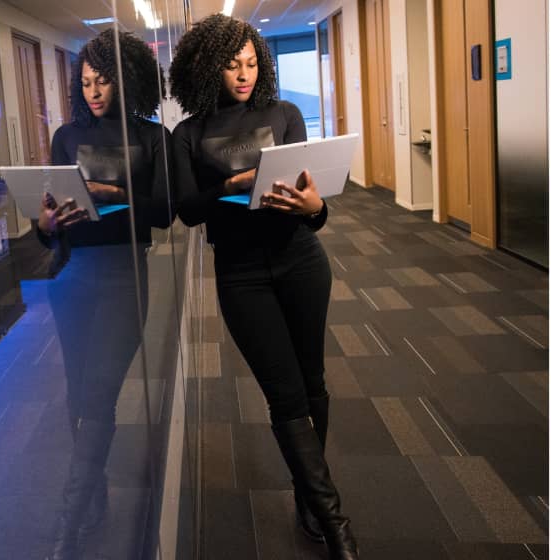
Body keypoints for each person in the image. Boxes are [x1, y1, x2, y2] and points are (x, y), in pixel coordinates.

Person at [169, 14, 358, 560]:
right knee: (285, 394)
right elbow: (186, 210)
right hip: (241, 274)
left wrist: (316, 207)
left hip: (301, 261)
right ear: (208, 69)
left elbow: (312, 211)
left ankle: (308, 495)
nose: (244, 74)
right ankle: (333, 517)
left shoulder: (286, 114)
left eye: (252, 63)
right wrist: (229, 185)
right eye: (232, 66)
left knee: (312, 380)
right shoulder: (189, 134)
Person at [36, 29, 173, 559]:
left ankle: (69, 519)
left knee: (98, 392)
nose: (94, 91)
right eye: (86, 82)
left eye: (103, 80)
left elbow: (164, 213)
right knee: (78, 395)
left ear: (126, 78)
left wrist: (118, 194)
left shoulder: (150, 136)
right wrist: (46, 223)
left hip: (123, 276)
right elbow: (46, 229)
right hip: (72, 276)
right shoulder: (65, 136)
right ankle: (93, 497)